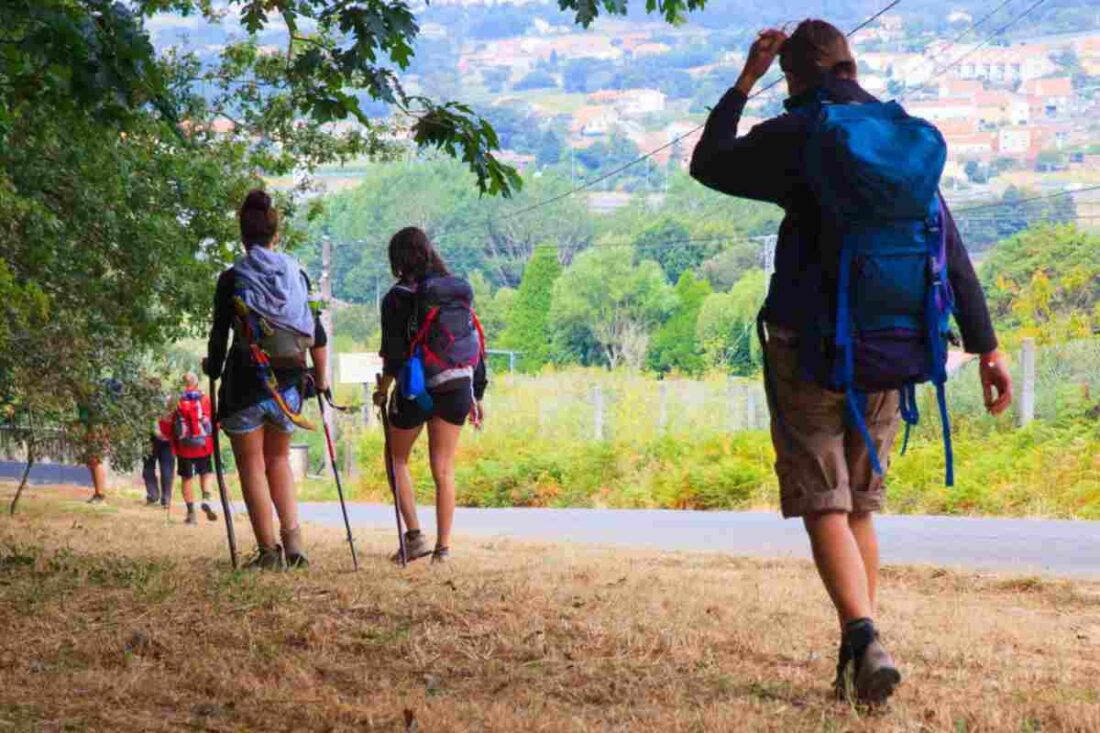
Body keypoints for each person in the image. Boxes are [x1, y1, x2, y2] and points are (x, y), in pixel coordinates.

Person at [690, 21, 1013, 703]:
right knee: (859, 505)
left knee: (823, 498)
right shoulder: (903, 141)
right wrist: (988, 346)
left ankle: (864, 634)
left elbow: (709, 161)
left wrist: (745, 80)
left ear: (794, 76)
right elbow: (947, 246)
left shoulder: (803, 132)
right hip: (890, 346)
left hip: (806, 345)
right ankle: (858, 659)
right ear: (851, 63)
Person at [204, 189, 328, 570]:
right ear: (276, 235)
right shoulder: (298, 274)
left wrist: (212, 366)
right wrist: (320, 382)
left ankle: (268, 552)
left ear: (243, 236)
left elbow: (219, 336)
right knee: (278, 461)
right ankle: (295, 545)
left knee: (252, 466)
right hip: (288, 385)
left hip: (245, 382)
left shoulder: (232, 278)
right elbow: (316, 335)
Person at [373, 227, 487, 565]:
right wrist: (477, 393)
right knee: (443, 467)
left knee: (397, 458)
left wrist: (383, 389)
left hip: (417, 387)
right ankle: (444, 549)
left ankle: (414, 537)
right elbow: (476, 343)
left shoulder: (398, 296)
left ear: (398, 260)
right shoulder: (453, 292)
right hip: (457, 385)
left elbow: (393, 353)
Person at [171, 372, 219, 525]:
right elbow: (214, 421)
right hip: (203, 445)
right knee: (205, 473)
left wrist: (174, 443)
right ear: (197, 383)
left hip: (184, 446)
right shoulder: (205, 399)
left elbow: (171, 424)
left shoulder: (176, 401)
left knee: (187, 478)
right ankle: (206, 498)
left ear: (183, 384)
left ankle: (191, 513)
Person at [143, 389, 176, 507]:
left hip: (152, 439)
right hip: (169, 440)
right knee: (167, 468)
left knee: (148, 466)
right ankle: (166, 498)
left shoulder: (151, 403)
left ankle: (153, 495)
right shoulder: (174, 405)